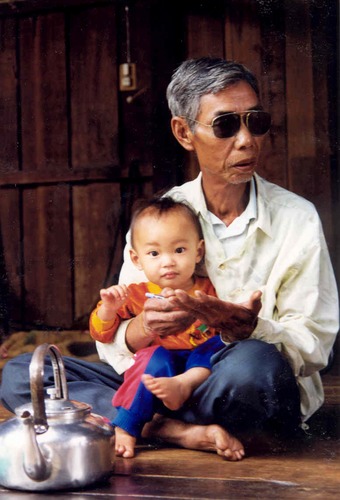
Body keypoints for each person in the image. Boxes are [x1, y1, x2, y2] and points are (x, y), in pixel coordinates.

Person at [1, 57, 338, 458]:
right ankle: (178, 431)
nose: (247, 140)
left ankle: (139, 422)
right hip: (160, 379)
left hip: (233, 384)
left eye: (256, 122)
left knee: (255, 365)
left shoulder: (296, 217)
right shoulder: (159, 217)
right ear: (183, 132)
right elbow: (117, 343)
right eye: (226, 124)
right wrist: (143, 325)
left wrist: (249, 328)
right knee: (25, 374)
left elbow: (315, 344)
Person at [90, 196, 243, 459]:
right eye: (154, 253)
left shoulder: (209, 290)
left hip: (200, 373)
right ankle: (127, 426)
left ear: (199, 251)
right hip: (162, 372)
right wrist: (109, 309)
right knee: (150, 358)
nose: (168, 261)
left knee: (218, 345)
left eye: (179, 250)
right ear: (137, 260)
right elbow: (102, 333)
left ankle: (183, 384)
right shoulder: (136, 294)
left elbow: (227, 326)